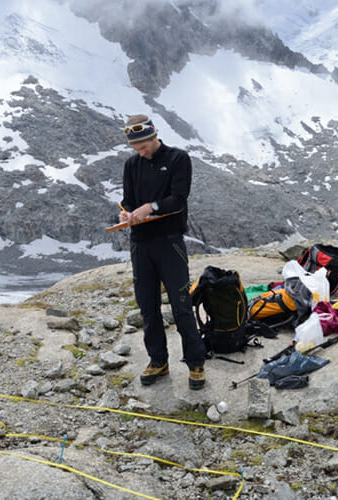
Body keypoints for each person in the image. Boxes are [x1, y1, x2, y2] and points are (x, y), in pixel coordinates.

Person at [119, 114, 206, 390]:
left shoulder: (178, 159)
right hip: (140, 243)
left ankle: (195, 363)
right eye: (136, 148)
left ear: (154, 137)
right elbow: (128, 201)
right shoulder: (132, 165)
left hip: (169, 242)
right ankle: (158, 360)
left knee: (181, 305)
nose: (140, 152)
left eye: (143, 146)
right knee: (147, 305)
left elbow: (178, 200)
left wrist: (151, 207)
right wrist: (126, 214)